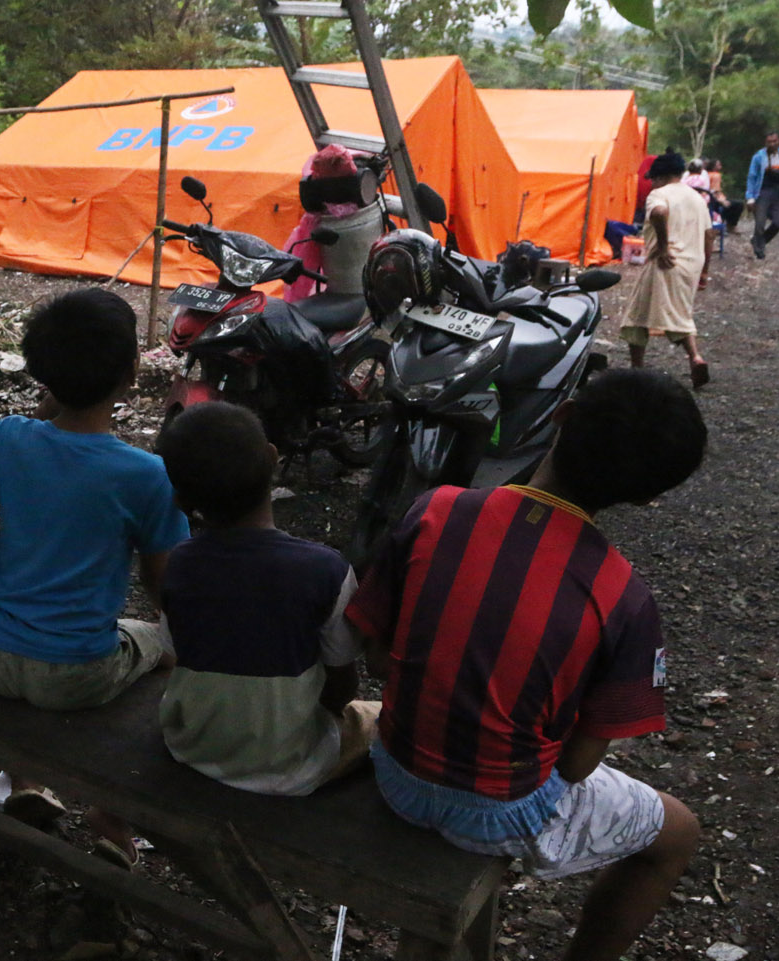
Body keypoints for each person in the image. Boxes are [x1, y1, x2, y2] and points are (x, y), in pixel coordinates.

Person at [348, 368, 706, 961]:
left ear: (560, 416)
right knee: (679, 833)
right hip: (502, 810)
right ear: (648, 497)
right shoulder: (624, 596)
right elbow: (579, 761)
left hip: (397, 776)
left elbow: (380, 656)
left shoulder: (435, 510)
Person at [0, 287, 189, 868]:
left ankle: (25, 780)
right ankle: (113, 817)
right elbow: (163, 588)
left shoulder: (8, 437)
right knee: (161, 647)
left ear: (41, 371)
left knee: (46, 650)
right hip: (76, 674)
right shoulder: (147, 475)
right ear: (130, 374)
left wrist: (0, 556)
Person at [155, 402, 378, 795]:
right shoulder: (326, 570)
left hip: (191, 747)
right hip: (289, 765)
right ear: (272, 457)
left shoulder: (178, 565)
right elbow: (342, 683)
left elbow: (177, 653)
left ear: (180, 498)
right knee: (377, 719)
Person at [620, 150, 713, 388]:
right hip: (692, 263)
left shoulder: (658, 194)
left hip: (665, 262)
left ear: (660, 177)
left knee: (635, 317)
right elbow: (709, 235)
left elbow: (659, 213)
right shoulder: (697, 198)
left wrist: (662, 246)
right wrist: (704, 272)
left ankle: (636, 370)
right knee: (680, 314)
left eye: (653, 179)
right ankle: (695, 357)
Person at [745, 131, 779, 259]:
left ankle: (759, 241)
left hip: (778, 192)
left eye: (775, 141)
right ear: (765, 142)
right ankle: (759, 250)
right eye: (769, 142)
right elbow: (752, 177)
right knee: (760, 223)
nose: (772, 144)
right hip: (762, 192)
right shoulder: (758, 157)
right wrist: (750, 197)